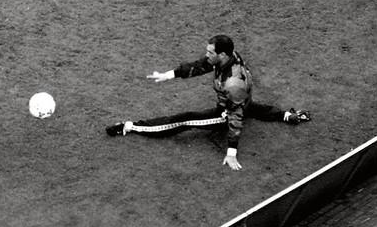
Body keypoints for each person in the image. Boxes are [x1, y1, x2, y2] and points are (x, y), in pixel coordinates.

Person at [105, 35, 311, 171]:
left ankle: (131, 126)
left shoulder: (232, 84)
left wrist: (231, 153)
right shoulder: (231, 57)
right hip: (241, 101)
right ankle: (286, 115)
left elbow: (235, 117)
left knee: (184, 121)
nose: (206, 54)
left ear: (222, 54)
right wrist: (168, 75)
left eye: (210, 52)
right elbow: (201, 66)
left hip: (226, 113)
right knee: (247, 107)